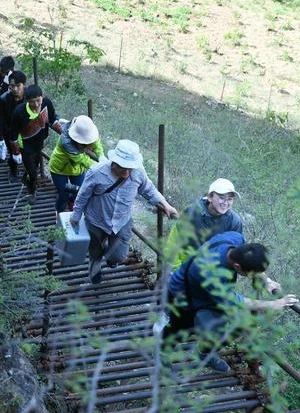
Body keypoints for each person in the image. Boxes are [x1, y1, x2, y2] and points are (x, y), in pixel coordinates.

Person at [165, 231, 298, 372]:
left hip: (209, 295)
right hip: (183, 295)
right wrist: (274, 304)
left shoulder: (235, 239)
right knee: (178, 328)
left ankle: (204, 355)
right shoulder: (209, 273)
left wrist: (267, 281)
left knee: (226, 327)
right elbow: (238, 301)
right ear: (237, 267)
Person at [69, 139, 178, 284]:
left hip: (122, 222)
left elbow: (149, 189)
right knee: (95, 250)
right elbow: (83, 194)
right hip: (96, 220)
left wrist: (166, 205)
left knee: (119, 257)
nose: (127, 172)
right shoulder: (97, 172)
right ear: (114, 162)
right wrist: (76, 215)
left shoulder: (138, 172)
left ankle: (109, 255)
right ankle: (95, 263)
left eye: (130, 168)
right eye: (122, 168)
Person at [168, 178, 243, 270]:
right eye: (221, 198)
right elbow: (175, 240)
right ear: (210, 197)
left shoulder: (234, 222)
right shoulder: (193, 212)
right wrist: (174, 269)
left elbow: (235, 253)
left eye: (230, 199)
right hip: (185, 267)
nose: (225, 203)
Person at [9, 85, 62, 204]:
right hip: (25, 145)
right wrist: (16, 151)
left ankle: (26, 177)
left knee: (34, 166)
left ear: (42, 98)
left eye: (38, 100)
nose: (37, 104)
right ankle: (31, 191)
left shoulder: (47, 104)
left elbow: (52, 118)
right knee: (33, 173)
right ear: (27, 101)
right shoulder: (19, 112)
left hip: (39, 142)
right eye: (32, 102)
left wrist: (60, 127)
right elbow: (13, 133)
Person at [49, 115, 104, 213]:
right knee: (64, 194)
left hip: (76, 169)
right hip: (59, 170)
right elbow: (82, 160)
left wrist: (101, 157)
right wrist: (102, 168)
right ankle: (59, 212)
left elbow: (95, 142)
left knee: (79, 192)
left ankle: (72, 203)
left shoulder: (85, 130)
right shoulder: (66, 142)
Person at [0, 71, 27, 182]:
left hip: (26, 131)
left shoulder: (29, 97)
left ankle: (28, 173)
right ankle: (13, 170)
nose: (15, 89)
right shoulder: (4, 99)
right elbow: (1, 119)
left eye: (18, 86)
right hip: (10, 131)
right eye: (12, 86)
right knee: (13, 151)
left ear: (24, 85)